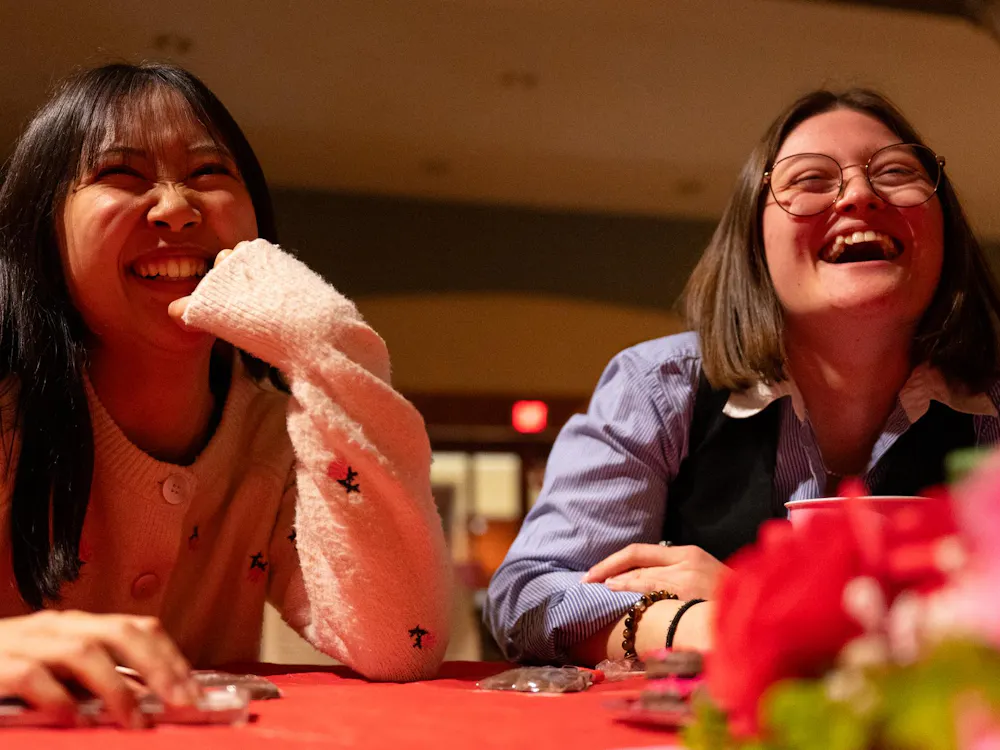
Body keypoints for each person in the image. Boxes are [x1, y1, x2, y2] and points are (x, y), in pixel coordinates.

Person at [0, 62, 451, 725]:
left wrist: (326, 346)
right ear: (42, 231)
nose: (176, 207)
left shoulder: (281, 439)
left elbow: (400, 645)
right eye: (121, 175)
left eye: (209, 173)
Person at [485, 88, 1000, 667]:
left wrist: (757, 603)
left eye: (897, 172)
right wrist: (714, 623)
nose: (859, 194)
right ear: (755, 241)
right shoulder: (658, 388)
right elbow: (531, 597)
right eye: (810, 179)